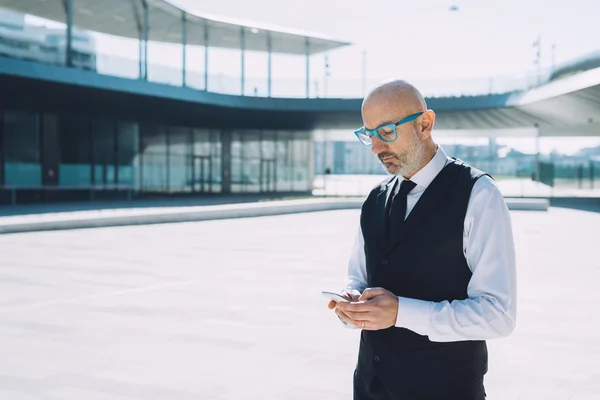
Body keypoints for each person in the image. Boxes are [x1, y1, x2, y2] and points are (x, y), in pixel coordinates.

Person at [327, 80, 517, 400]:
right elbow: (358, 277)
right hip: (369, 388)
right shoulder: (374, 199)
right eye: (369, 135)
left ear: (425, 124)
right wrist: (353, 302)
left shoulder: (479, 195)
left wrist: (402, 312)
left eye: (386, 132)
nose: (376, 147)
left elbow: (499, 316)